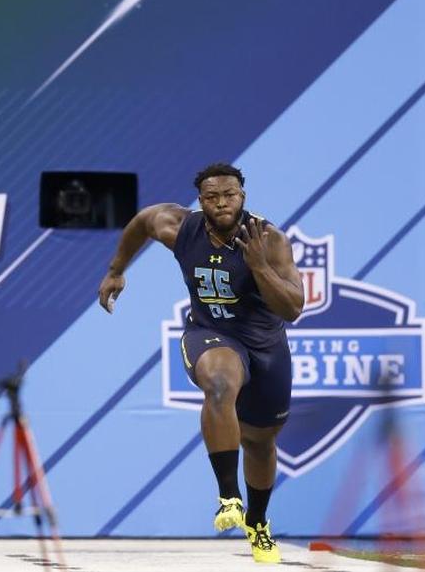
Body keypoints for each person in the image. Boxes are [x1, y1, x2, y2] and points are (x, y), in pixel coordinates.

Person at [97, 162, 303, 564]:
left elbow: (293, 308)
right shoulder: (182, 228)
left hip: (265, 344)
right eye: (212, 197)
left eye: (229, 195)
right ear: (201, 201)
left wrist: (259, 266)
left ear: (243, 197)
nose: (222, 203)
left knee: (260, 442)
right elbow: (142, 222)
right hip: (211, 332)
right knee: (221, 383)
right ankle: (229, 496)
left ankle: (258, 523)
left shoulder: (269, 239)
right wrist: (116, 270)